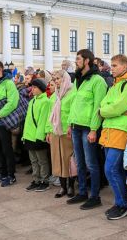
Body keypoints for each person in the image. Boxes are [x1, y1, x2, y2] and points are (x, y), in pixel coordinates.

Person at [99, 54, 127, 220]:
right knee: (114, 170)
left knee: (110, 169)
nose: (112, 68)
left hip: (121, 131)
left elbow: (114, 108)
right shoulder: (114, 86)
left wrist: (109, 111)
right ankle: (119, 203)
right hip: (109, 131)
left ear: (124, 66)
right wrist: (110, 110)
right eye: (112, 65)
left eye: (115, 65)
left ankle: (122, 205)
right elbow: (102, 107)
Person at [66, 49, 108, 210]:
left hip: (88, 128)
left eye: (78, 59)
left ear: (87, 61)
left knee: (91, 163)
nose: (76, 61)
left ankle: (95, 196)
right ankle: (82, 192)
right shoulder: (78, 79)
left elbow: (98, 107)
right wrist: (70, 123)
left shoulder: (97, 81)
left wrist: (93, 129)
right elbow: (74, 104)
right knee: (80, 162)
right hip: (76, 126)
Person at [46, 70, 76, 198]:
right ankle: (62, 187)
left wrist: (70, 125)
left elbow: (73, 112)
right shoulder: (55, 95)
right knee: (57, 159)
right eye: (55, 79)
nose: (56, 81)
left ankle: (71, 186)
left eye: (58, 79)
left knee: (68, 159)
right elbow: (50, 114)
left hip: (66, 132)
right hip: (55, 132)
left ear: (65, 79)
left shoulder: (72, 93)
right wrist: (48, 131)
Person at [22, 78, 52, 191]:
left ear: (41, 89)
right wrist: (25, 135)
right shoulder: (32, 101)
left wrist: (40, 137)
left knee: (42, 160)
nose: (32, 89)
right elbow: (28, 120)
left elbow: (43, 121)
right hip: (29, 136)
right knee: (33, 160)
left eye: (35, 87)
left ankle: (45, 181)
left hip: (38, 137)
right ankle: (36, 179)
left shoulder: (46, 101)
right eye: (32, 87)